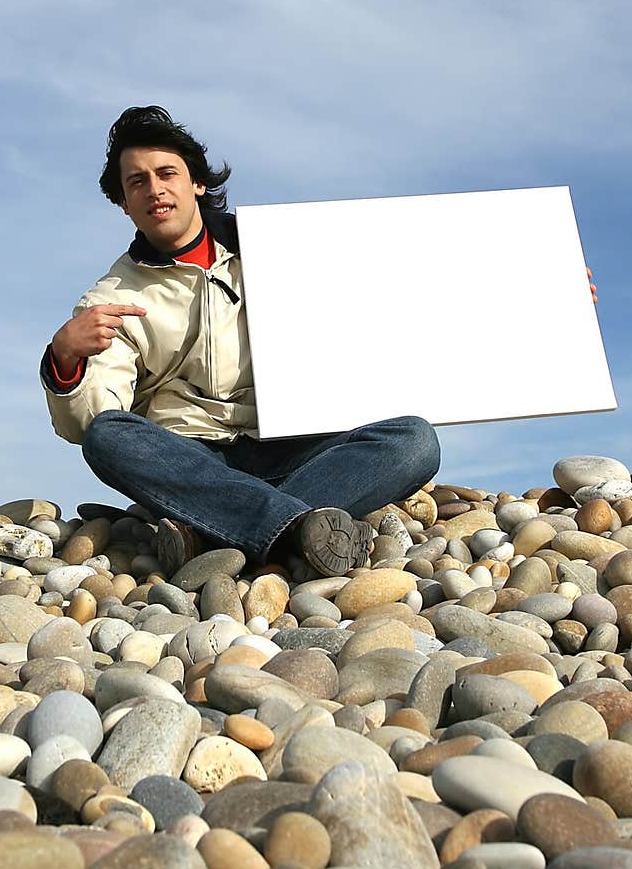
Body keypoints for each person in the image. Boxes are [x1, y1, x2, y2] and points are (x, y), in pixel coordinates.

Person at [41, 106, 443, 579]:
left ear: (197, 183)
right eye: (137, 182)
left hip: (291, 443)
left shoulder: (284, 249)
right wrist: (65, 359)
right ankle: (295, 530)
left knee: (415, 440)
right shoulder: (113, 296)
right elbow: (91, 419)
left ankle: (215, 533)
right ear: (124, 203)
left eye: (167, 173)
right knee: (109, 438)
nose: (154, 189)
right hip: (193, 456)